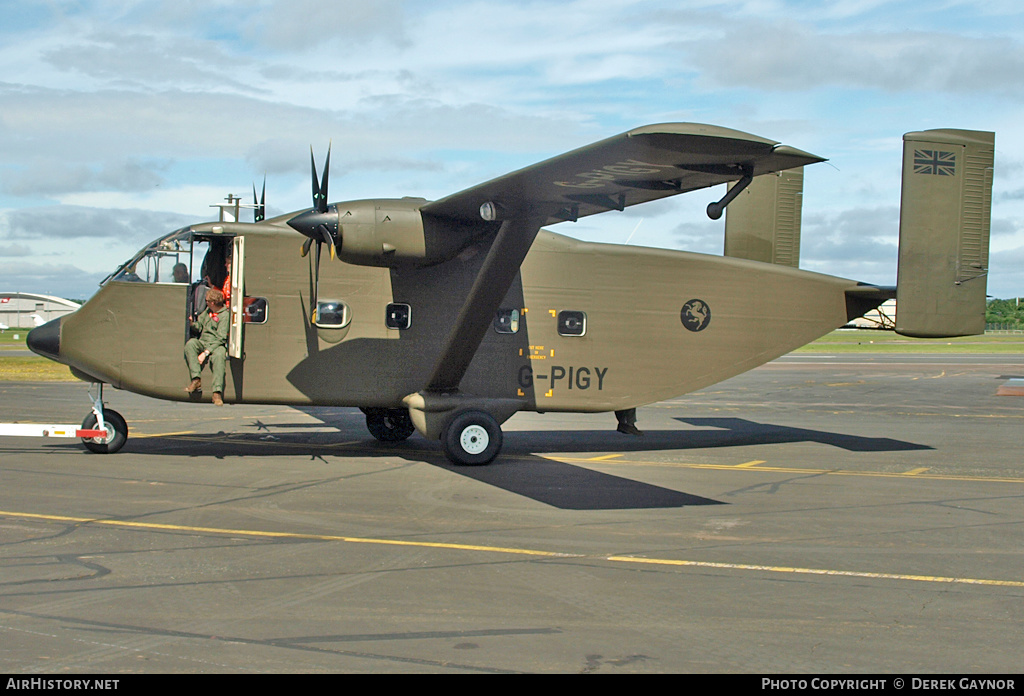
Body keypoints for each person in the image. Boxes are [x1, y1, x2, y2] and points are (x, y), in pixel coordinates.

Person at [184, 288, 230, 405]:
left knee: (219, 356)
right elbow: (200, 326)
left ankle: (217, 393)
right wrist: (192, 324)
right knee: (191, 344)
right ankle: (196, 379)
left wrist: (205, 353)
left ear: (213, 302)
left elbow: (221, 338)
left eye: (207, 301)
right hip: (204, 340)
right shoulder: (208, 312)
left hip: (216, 344)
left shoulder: (224, 316)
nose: (206, 303)